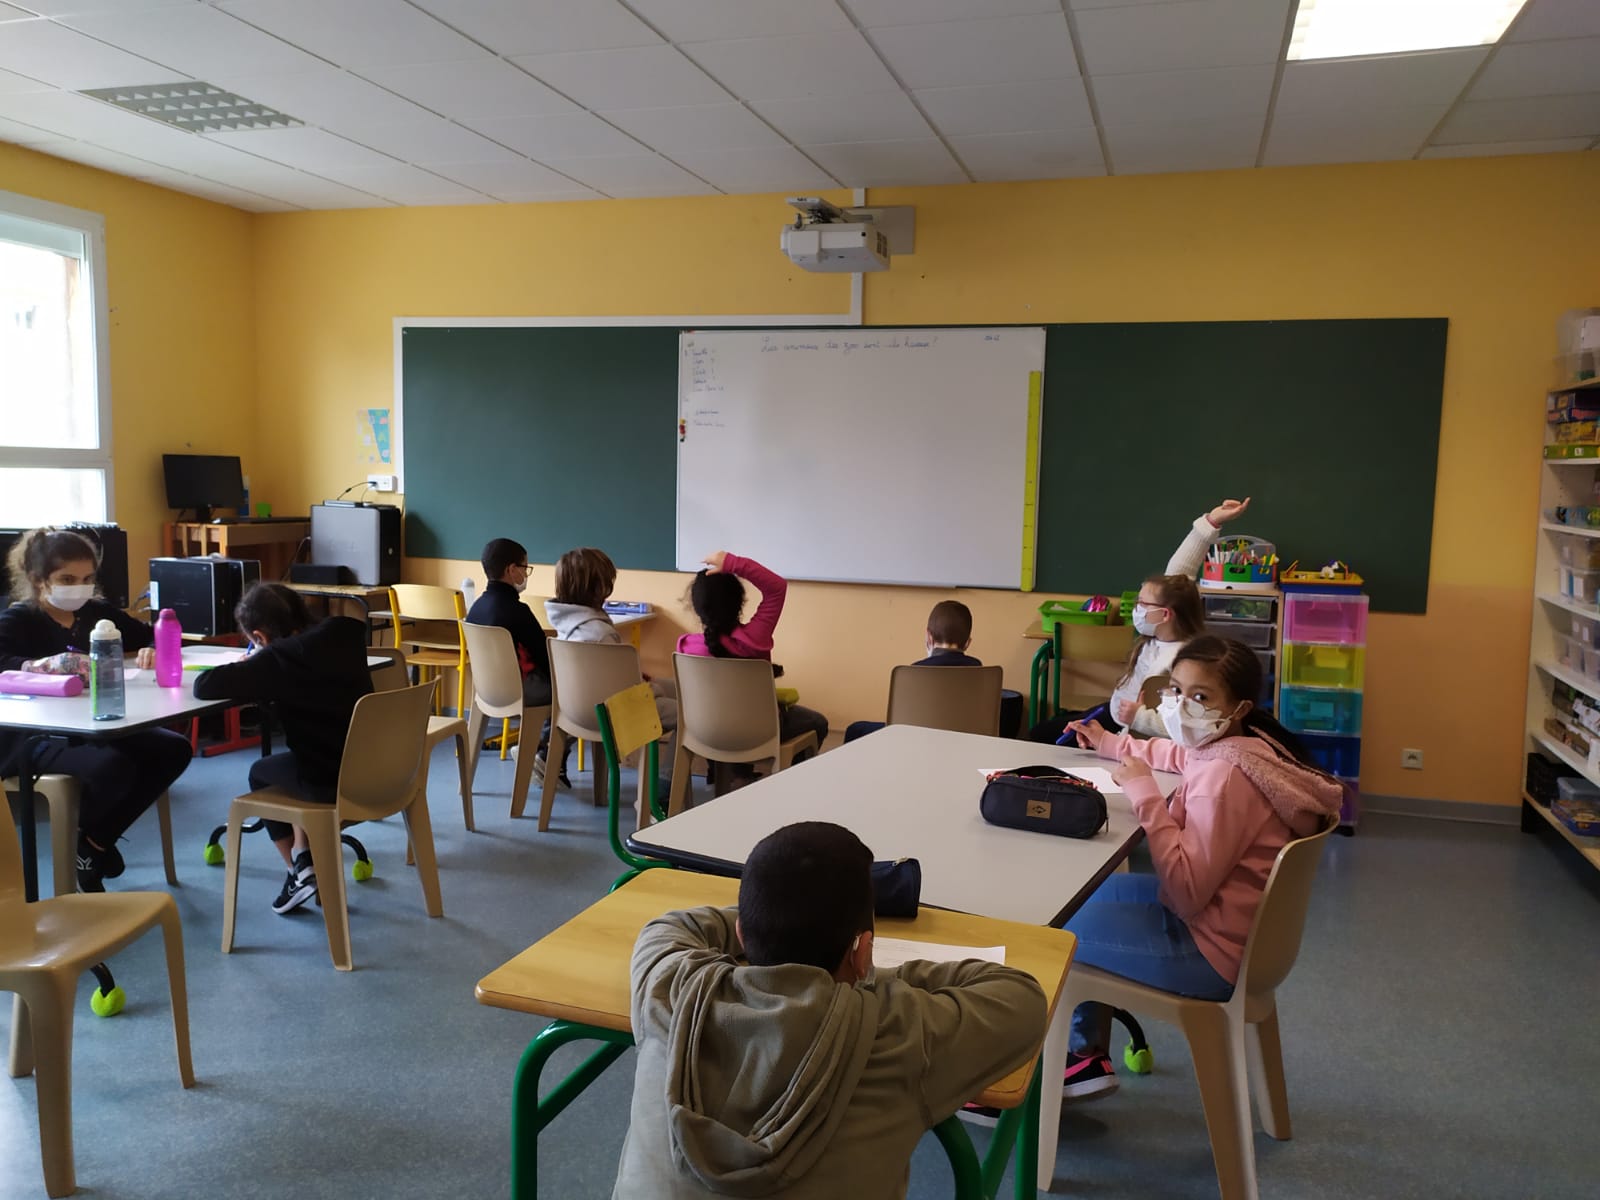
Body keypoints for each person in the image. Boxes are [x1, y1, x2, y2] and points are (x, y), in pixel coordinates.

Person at [612, 821, 1047, 1199]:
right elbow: (1021, 998)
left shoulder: (670, 985)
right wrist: (878, 975)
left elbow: (674, 926)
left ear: (742, 933)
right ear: (862, 952)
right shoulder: (899, 1031)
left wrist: (773, 919)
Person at [1057, 635, 1343, 1100]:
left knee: (1051, 932)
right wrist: (1112, 743)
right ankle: (1085, 1055)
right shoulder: (1246, 748)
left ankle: (1057, 1069)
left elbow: (1188, 890)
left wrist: (1146, 796)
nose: (1181, 706)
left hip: (1206, 949)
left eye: (1201, 697)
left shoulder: (1223, 780)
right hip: (1233, 934)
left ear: (1239, 707)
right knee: (1080, 897)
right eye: (1177, 690)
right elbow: (1182, 756)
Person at [0, 528, 192, 892]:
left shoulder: (97, 612)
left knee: (174, 749)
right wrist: (42, 665)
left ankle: (91, 845)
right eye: (67, 580)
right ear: (39, 581)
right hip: (34, 735)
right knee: (113, 769)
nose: (79, 587)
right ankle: (89, 851)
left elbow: (151, 633)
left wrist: (153, 647)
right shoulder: (18, 620)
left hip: (95, 723)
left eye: (87, 579)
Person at [193, 583, 372, 914]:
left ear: (259, 637)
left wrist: (260, 657)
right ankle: (305, 857)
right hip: (378, 769)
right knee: (298, 761)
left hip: (331, 781)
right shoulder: (344, 632)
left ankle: (299, 870)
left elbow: (205, 685)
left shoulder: (278, 659)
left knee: (262, 773)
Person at [1029, 496, 1252, 743]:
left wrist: (1135, 722)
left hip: (1133, 729)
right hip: (1117, 712)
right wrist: (1210, 522)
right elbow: (1181, 568)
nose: (1137, 609)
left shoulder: (1183, 660)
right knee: (1045, 731)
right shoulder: (1164, 629)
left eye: (1143, 604)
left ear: (1165, 614)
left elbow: (1186, 727)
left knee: (1045, 736)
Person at [540, 546, 677, 787]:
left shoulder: (563, 626)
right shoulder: (601, 634)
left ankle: (546, 752)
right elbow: (627, 694)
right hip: (613, 714)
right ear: (600, 587)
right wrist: (651, 688)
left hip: (573, 712)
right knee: (687, 713)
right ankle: (666, 787)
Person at [677, 550, 829, 755]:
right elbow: (777, 587)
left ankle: (726, 777)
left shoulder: (686, 647)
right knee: (818, 722)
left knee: (710, 714)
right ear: (740, 601)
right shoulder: (755, 640)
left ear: (696, 607)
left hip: (709, 732)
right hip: (760, 732)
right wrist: (732, 562)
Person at [843, 599, 1024, 741]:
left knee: (856, 729)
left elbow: (903, 722)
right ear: (968, 642)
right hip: (967, 741)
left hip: (915, 740)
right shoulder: (979, 670)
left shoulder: (914, 671)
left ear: (928, 636)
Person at [463, 538, 559, 781]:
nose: (526, 574)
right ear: (511, 569)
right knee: (570, 696)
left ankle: (544, 756)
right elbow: (545, 658)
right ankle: (545, 756)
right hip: (521, 691)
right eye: (525, 568)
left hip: (486, 693)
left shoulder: (475, 609)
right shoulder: (518, 612)